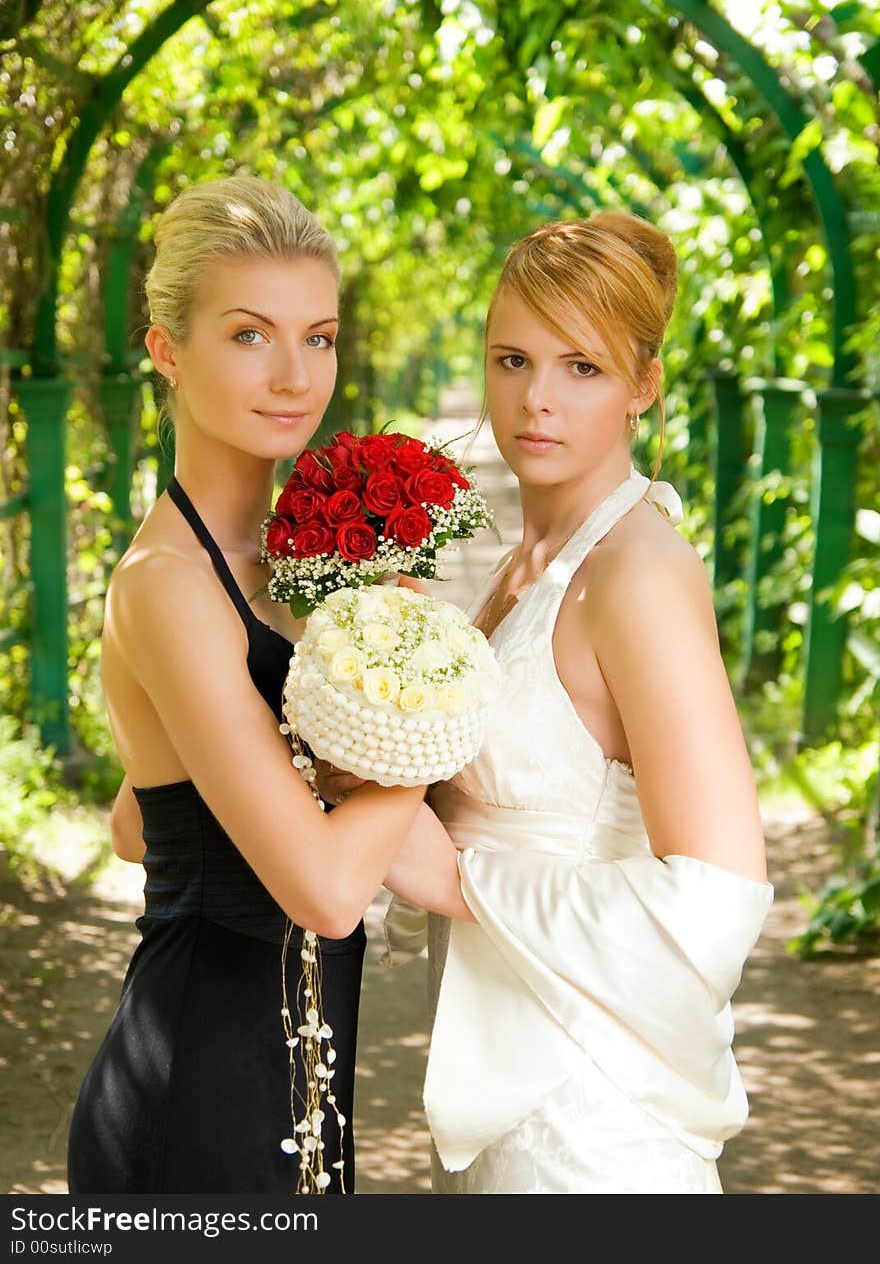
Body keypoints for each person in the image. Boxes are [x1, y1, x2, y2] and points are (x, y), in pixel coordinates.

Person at [376, 211, 774, 1193]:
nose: (536, 400)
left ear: (643, 385)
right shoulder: (530, 565)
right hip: (500, 1078)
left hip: (589, 1128)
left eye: (581, 367)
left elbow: (717, 904)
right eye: (512, 359)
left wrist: (463, 881)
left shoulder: (635, 575)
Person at [66, 177, 426, 1195]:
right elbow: (321, 889)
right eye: (248, 335)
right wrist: (415, 705)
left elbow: (139, 823)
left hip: (296, 1093)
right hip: (195, 1111)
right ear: (166, 349)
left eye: (318, 337)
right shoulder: (170, 583)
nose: (293, 375)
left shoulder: (289, 562)